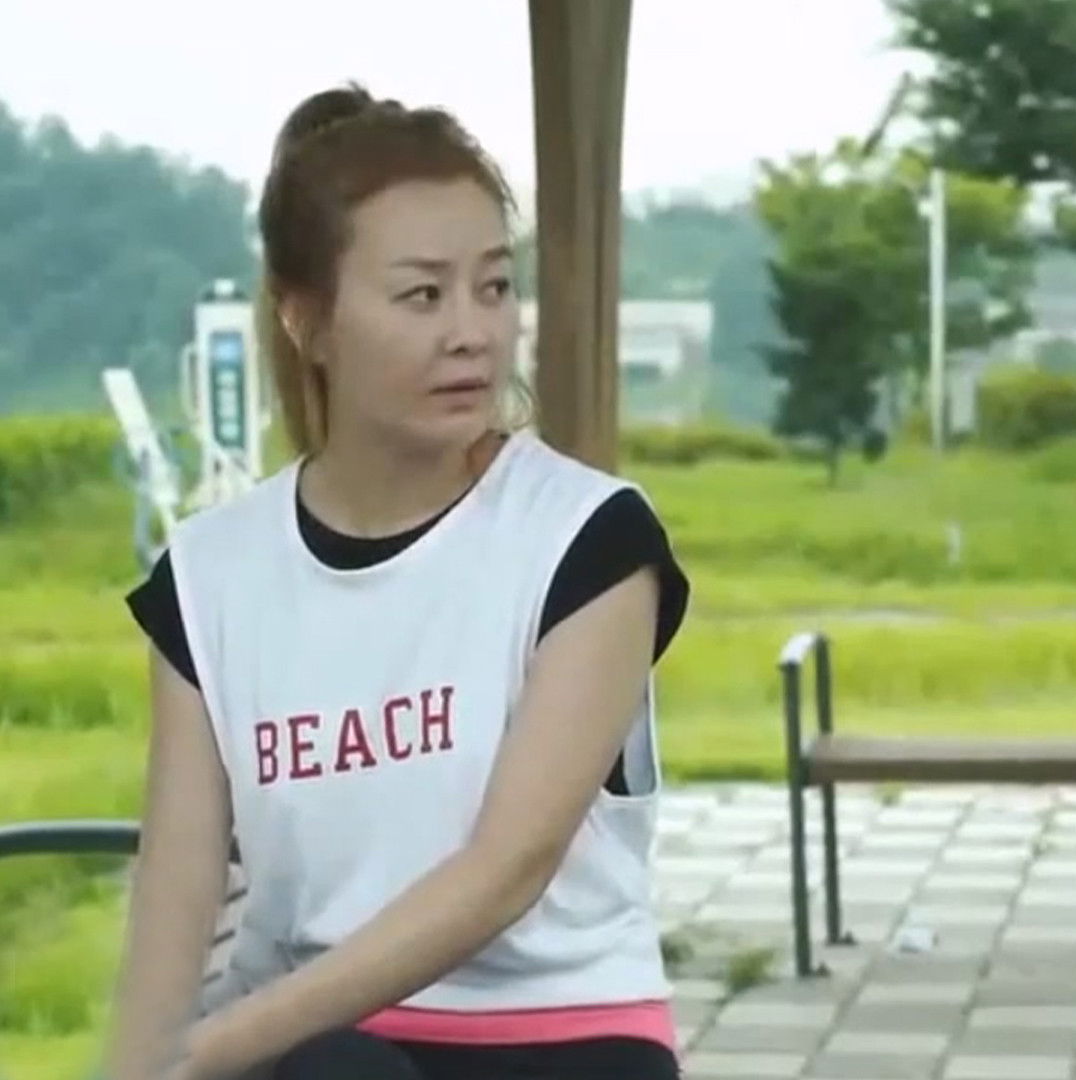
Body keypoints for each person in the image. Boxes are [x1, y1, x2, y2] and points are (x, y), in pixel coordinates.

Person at [102, 84, 691, 1080]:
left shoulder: (586, 540)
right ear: (307, 320)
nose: (473, 332)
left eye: (494, 288)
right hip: (311, 1056)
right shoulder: (209, 579)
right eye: (424, 296)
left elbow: (504, 872)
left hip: (555, 1039)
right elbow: (177, 889)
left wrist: (213, 1048)